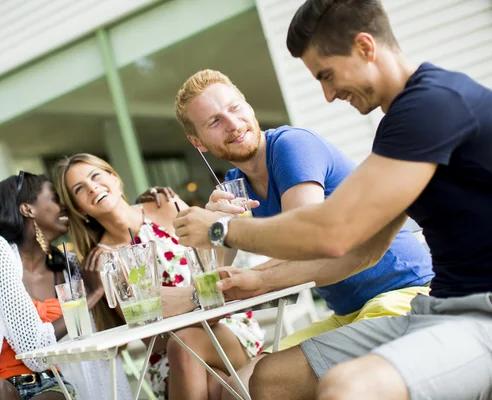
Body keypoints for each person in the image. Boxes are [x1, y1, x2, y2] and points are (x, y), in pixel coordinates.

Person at [174, 0, 492, 399]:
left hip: (481, 309)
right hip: (442, 307)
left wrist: (223, 229)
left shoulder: (433, 105)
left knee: (348, 387)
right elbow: (362, 252)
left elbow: (331, 232)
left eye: (327, 75)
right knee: (265, 379)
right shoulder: (398, 127)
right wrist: (258, 279)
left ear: (364, 47)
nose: (327, 95)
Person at [173, 69, 433, 397]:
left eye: (235, 108)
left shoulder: (291, 146)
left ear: (248, 106)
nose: (233, 124)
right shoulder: (234, 184)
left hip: (403, 291)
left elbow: (305, 241)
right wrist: (215, 228)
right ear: (198, 143)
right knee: (235, 390)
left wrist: (221, 232)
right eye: (214, 122)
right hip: (347, 313)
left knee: (272, 380)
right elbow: (213, 274)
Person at [55, 154, 264, 400]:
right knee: (211, 382)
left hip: (228, 328)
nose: (92, 188)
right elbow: (148, 327)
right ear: (79, 208)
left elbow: (214, 258)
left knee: (186, 346)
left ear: (114, 178)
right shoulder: (104, 259)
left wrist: (178, 301)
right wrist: (205, 295)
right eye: (80, 189)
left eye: (95, 176)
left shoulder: (166, 205)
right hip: (167, 358)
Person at [0, 172, 130, 400]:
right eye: (55, 199)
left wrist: (143, 209)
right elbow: (34, 350)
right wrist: (94, 294)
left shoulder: (69, 269)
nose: (64, 207)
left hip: (51, 384)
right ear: (28, 209)